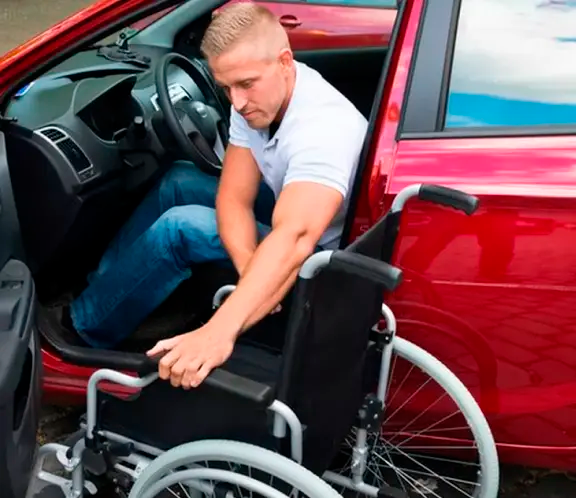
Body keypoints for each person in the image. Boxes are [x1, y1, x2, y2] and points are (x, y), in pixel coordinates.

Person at [68, 1, 368, 388]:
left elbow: (294, 239)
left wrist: (217, 333)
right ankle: (106, 286)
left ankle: (84, 330)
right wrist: (249, 268)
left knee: (180, 227)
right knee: (178, 180)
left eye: (245, 84)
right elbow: (233, 197)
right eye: (226, 87)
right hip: (291, 217)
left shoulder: (322, 132)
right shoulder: (260, 100)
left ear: (284, 61)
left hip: (323, 257)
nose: (236, 102)